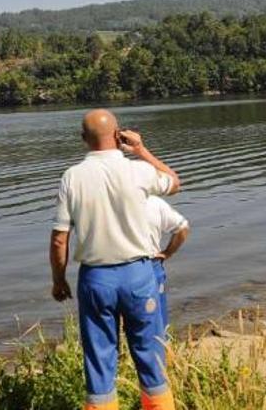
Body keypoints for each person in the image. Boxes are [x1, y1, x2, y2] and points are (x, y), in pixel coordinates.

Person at [49, 109, 180, 410]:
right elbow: (174, 181)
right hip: (139, 274)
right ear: (119, 134)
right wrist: (141, 149)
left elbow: (59, 238)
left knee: (99, 360)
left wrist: (59, 280)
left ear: (83, 139)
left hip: (96, 279)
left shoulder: (72, 177)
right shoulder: (139, 171)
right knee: (150, 356)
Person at [144, 195, 190, 334]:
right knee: (157, 324)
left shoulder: (99, 201)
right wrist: (167, 253)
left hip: (106, 269)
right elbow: (183, 228)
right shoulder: (152, 201)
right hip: (149, 264)